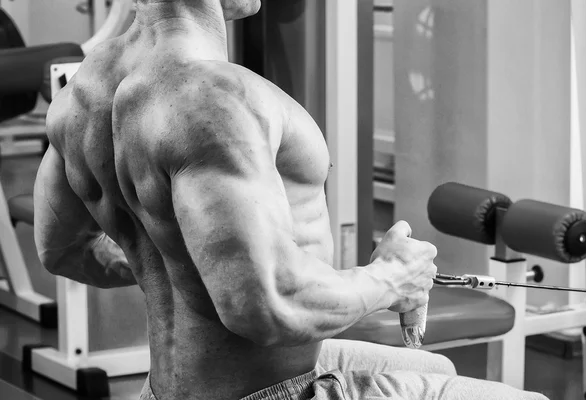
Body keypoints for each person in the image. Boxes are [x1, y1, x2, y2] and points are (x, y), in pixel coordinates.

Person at [33, 1, 549, 399]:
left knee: (437, 369)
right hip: (275, 392)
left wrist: (181, 262)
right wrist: (392, 277)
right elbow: (266, 307)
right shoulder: (209, 98)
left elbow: (61, 250)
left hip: (168, 387)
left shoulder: (81, 92)